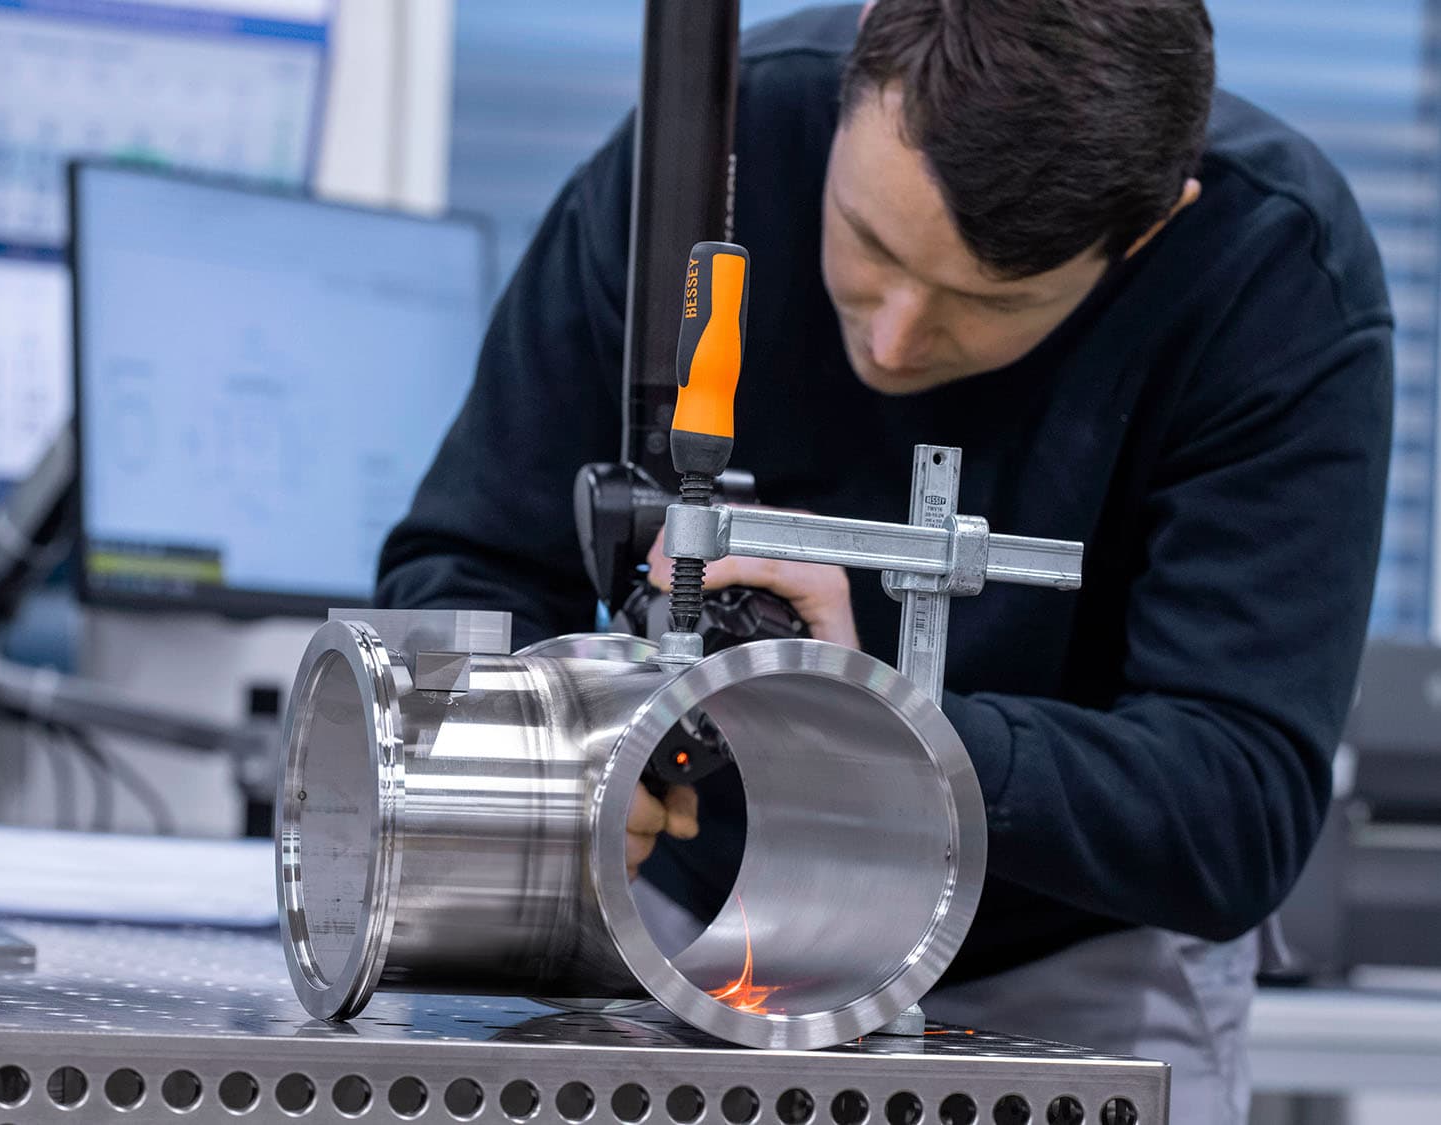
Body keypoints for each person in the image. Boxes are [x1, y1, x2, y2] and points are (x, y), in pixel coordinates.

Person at [377, 2, 1393, 1120]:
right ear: (857, 76)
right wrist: (549, 756)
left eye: (988, 301)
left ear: (1148, 234)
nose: (895, 337)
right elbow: (465, 563)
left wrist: (876, 725)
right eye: (869, 242)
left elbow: (1233, 811)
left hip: (1062, 968)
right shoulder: (712, 143)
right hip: (666, 922)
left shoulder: (1272, 269)